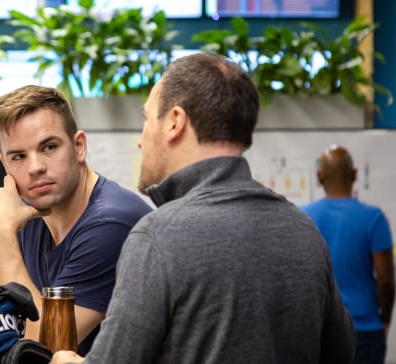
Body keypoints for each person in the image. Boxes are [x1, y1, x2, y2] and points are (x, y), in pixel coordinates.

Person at [50, 53, 355, 364]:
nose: (141, 140)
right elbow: (342, 352)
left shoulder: (158, 237)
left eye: (146, 118)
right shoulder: (303, 231)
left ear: (174, 123)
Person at [0, 85, 153, 355]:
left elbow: (38, 350)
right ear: (5, 165)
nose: (35, 168)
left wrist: (0, 233)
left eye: (49, 147)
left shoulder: (112, 223)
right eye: (19, 156)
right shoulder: (32, 211)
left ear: (79, 146)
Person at [301, 144, 395, 364]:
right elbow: (386, 280)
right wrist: (386, 318)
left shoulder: (302, 218)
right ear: (354, 175)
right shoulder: (374, 218)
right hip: (365, 329)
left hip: (319, 329)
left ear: (319, 177)